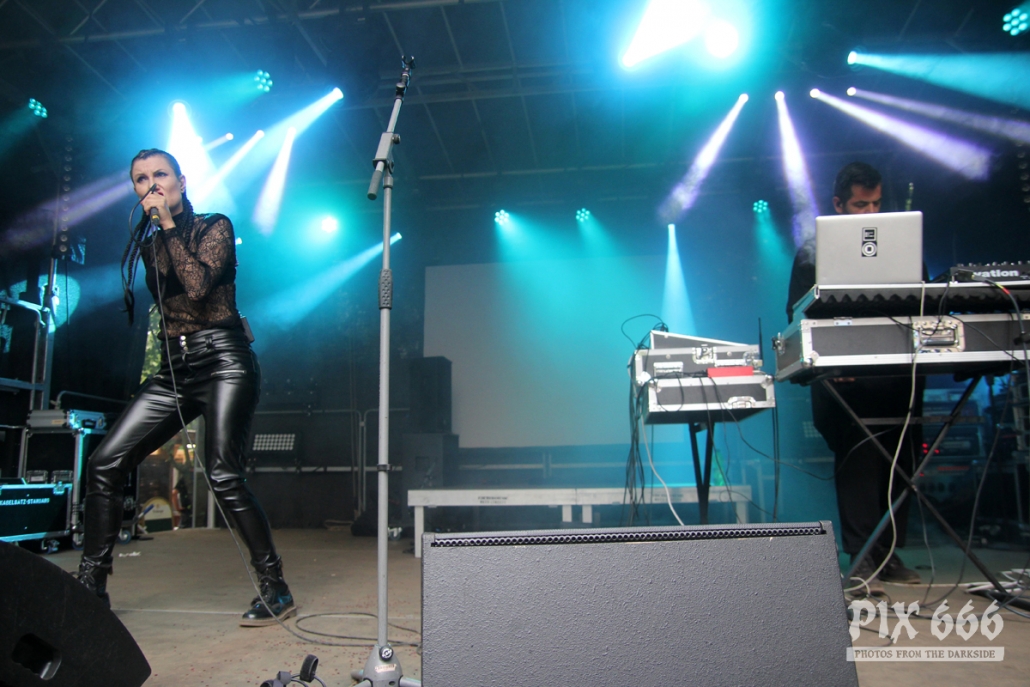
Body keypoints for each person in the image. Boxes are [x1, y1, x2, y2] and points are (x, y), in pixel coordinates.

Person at [75, 148, 295, 626]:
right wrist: (161, 232)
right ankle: (90, 585)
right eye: (141, 179)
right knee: (104, 462)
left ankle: (275, 585)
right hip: (175, 370)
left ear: (181, 180)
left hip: (224, 361)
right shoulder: (150, 244)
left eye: (160, 174)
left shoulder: (215, 226)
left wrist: (169, 226)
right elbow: (169, 308)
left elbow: (196, 288)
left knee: (223, 475)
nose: (151, 184)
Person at [786, 161, 922, 597]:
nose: (870, 212)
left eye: (876, 204)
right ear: (839, 204)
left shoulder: (900, 245)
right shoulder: (813, 252)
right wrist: (832, 362)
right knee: (861, 463)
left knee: (900, 463)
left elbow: (919, 300)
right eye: (861, 205)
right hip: (845, 380)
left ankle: (888, 553)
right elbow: (798, 315)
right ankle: (862, 557)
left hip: (897, 374)